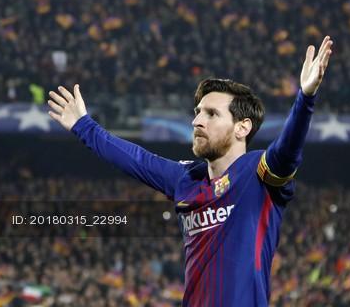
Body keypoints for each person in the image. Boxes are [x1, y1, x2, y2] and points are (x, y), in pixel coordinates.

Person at [47, 36, 333, 306]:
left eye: (211, 114)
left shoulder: (257, 174)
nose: (197, 121)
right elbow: (136, 159)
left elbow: (287, 151)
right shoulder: (186, 179)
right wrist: (83, 125)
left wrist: (305, 98)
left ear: (242, 127)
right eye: (197, 112)